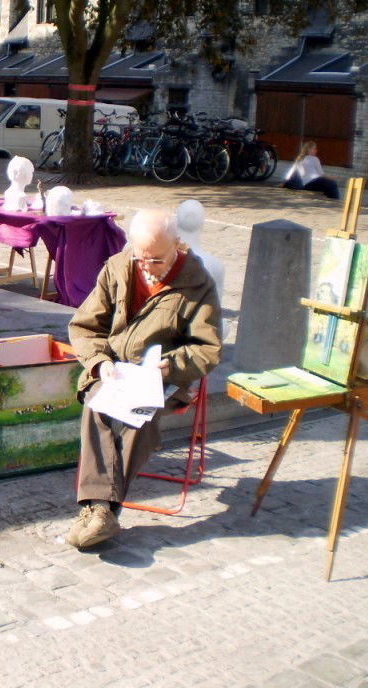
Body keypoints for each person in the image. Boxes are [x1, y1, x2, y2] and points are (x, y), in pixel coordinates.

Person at [65, 209, 222, 549]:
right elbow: (84, 326)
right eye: (141, 258)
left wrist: (168, 366)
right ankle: (102, 511)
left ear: (177, 245)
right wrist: (99, 363)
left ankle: (99, 510)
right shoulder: (119, 268)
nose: (147, 267)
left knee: (139, 419)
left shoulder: (197, 283)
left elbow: (207, 349)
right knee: (96, 405)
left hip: (163, 378)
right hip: (115, 370)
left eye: (157, 260)